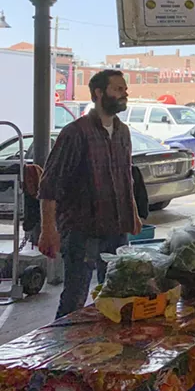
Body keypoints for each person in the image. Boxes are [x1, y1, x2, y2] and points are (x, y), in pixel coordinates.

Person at [38, 70, 142, 319]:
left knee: (115, 293)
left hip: (116, 229)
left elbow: (125, 178)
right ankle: (59, 351)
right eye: (118, 89)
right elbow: (50, 184)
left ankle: (104, 350)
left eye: (124, 89)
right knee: (75, 296)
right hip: (82, 231)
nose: (124, 93)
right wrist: (48, 229)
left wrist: (134, 215)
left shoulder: (123, 132)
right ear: (99, 93)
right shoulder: (75, 133)